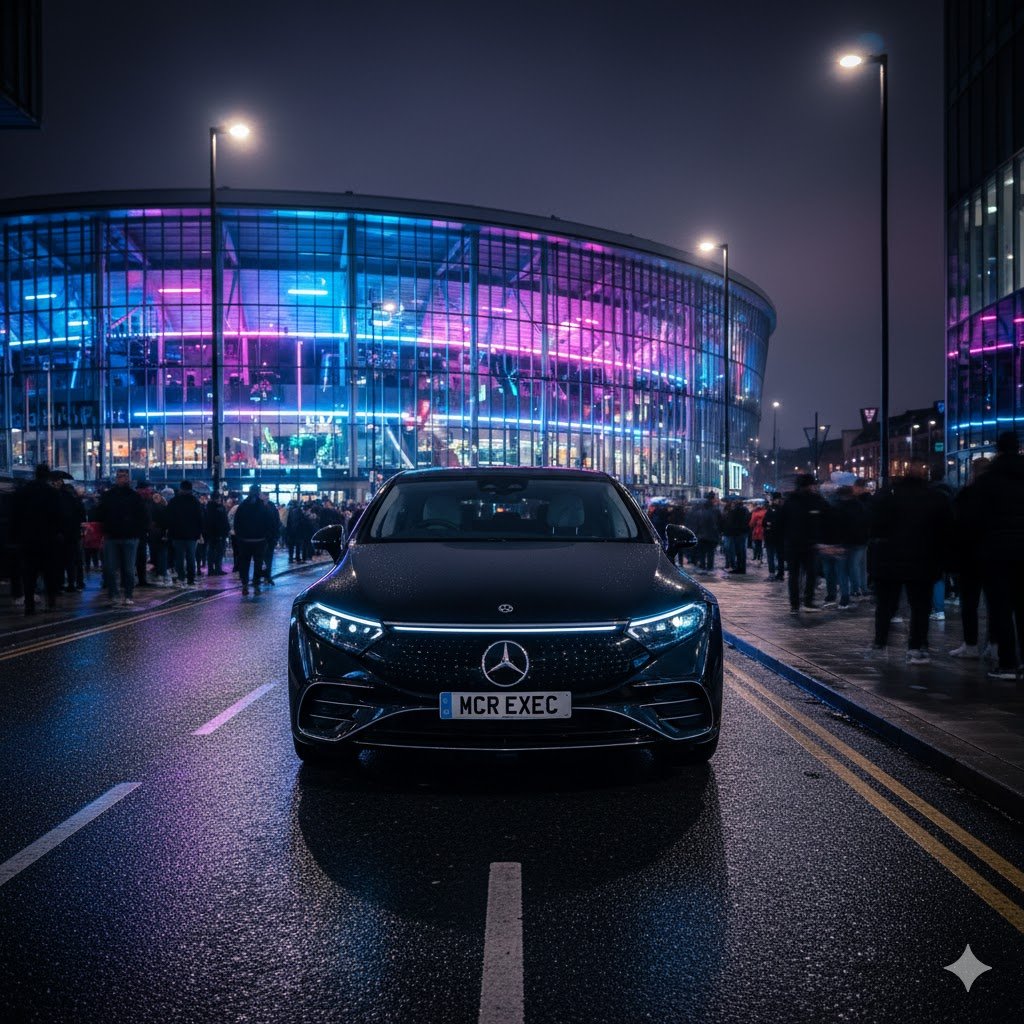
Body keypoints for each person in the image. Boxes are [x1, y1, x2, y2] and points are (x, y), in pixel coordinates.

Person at [868, 460, 953, 663]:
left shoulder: (887, 496)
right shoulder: (935, 498)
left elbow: (873, 526)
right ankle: (916, 647)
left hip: (889, 558)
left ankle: (880, 644)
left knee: (885, 605)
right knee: (920, 606)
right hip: (923, 558)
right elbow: (946, 530)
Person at [973, 431, 1024, 679]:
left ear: (998, 449)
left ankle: (1007, 663)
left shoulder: (988, 480)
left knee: (1001, 608)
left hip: (996, 550)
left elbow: (976, 519)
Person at [949, 457, 990, 659]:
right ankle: (994, 644)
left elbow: (957, 525)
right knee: (996, 604)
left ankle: (971, 644)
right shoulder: (998, 494)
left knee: (969, 603)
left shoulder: (966, 494)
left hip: (970, 556)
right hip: (995, 554)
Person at [10, 463, 63, 615]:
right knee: (49, 573)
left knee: (29, 574)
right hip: (48, 538)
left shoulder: (23, 492)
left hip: (28, 538)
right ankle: (51, 602)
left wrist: (15, 536)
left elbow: (15, 516)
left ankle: (29, 605)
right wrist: (59, 533)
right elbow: (59, 516)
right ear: (47, 476)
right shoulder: (52, 493)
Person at [96, 468, 148, 607]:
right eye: (119, 476)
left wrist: (137, 532)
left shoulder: (134, 496)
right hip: (113, 536)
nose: (121, 479)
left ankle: (128, 595)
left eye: (124, 476)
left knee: (128, 569)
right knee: (110, 569)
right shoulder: (109, 496)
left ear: (128, 478)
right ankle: (115, 595)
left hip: (129, 537)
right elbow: (100, 513)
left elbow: (143, 516)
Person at [780, 474, 831, 614]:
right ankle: (807, 601)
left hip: (793, 544)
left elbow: (781, 522)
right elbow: (828, 518)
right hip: (809, 544)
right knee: (810, 573)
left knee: (795, 575)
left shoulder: (790, 501)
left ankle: (795, 604)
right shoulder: (816, 500)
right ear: (809, 485)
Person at [166, 479, 204, 588]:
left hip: (177, 534)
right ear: (191, 489)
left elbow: (168, 518)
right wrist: (199, 532)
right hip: (191, 535)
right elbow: (200, 518)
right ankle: (191, 580)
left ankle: (181, 578)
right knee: (191, 557)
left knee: (179, 558)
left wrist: (169, 531)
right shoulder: (195, 501)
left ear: (181, 489)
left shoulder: (174, 501)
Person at [233, 484, 269, 595]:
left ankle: (245, 585)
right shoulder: (263, 506)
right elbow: (268, 523)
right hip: (259, 540)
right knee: (258, 564)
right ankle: (256, 585)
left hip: (245, 540)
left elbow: (237, 522)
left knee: (244, 563)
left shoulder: (242, 506)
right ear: (258, 493)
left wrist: (239, 536)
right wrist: (266, 536)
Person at [203, 493, 230, 576]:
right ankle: (218, 569)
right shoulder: (220, 508)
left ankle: (211, 570)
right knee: (219, 552)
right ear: (218, 498)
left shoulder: (207, 507)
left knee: (211, 551)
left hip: (210, 533)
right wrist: (226, 530)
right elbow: (223, 520)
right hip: (219, 533)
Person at [722, 498, 750, 574]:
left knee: (739, 551)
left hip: (737, 533)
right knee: (741, 551)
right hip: (742, 532)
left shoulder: (735, 511)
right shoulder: (745, 510)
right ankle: (741, 568)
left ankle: (740, 568)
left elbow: (731, 522)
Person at [763, 492, 786, 581]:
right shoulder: (772, 509)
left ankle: (776, 574)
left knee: (775, 556)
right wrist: (768, 524)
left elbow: (771, 522)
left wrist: (769, 524)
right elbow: (764, 522)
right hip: (775, 537)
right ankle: (778, 574)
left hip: (775, 537)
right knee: (777, 556)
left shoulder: (778, 509)